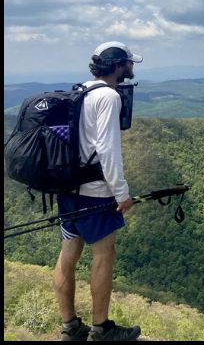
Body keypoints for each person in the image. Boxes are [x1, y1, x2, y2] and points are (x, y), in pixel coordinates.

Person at [54, 41, 143, 341]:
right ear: (119, 65)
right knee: (104, 254)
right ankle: (101, 328)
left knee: (68, 254)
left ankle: (69, 326)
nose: (132, 67)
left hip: (68, 188)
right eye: (130, 62)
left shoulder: (80, 90)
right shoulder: (108, 96)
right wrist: (122, 193)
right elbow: (107, 150)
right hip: (96, 191)